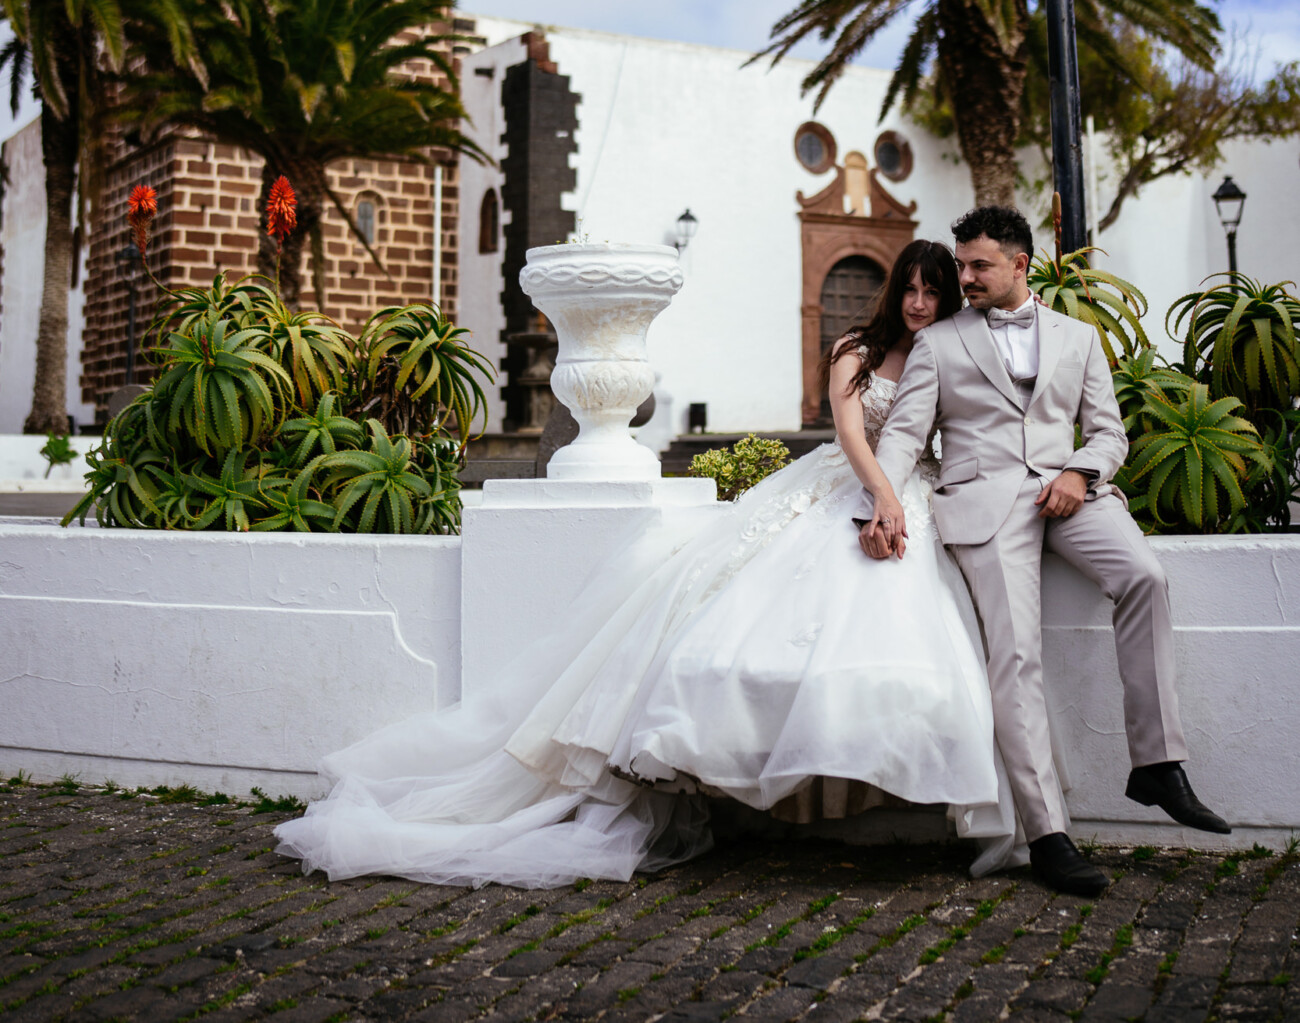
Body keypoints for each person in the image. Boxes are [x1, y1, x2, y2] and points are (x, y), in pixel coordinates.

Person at [276, 239, 1019, 888]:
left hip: (916, 493)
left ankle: (871, 800)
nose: (920, 301)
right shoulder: (854, 348)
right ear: (897, 289)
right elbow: (853, 433)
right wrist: (881, 492)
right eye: (912, 287)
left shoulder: (951, 350)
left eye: (934, 289)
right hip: (849, 485)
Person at [860, 204, 1231, 898]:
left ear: (1019, 264)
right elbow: (903, 437)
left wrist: (1078, 472)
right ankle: (1048, 835)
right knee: (1018, 655)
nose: (962, 276)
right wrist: (879, 500)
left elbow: (1109, 433)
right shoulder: (940, 344)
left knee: (1145, 574)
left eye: (978, 266)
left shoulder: (1079, 337)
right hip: (986, 505)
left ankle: (1156, 762)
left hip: (1072, 494)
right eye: (960, 264)